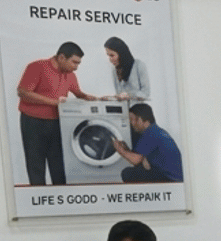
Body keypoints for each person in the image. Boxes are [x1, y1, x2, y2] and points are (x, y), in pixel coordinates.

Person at [14, 41, 100, 186]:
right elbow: (22, 92)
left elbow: (77, 92)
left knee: (59, 163)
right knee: (36, 163)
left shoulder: (69, 74)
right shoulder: (37, 67)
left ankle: (61, 197)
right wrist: (54, 102)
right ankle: (39, 198)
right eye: (74, 62)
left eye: (78, 64)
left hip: (58, 122)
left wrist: (88, 97)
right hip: (33, 122)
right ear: (61, 57)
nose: (76, 67)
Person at [112, 103, 183, 183]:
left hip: (169, 179)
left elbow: (136, 160)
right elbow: (140, 157)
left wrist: (121, 151)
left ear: (140, 119)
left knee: (127, 173)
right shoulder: (156, 131)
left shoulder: (150, 134)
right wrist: (126, 149)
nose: (131, 123)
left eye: (132, 119)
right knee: (141, 166)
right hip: (176, 177)